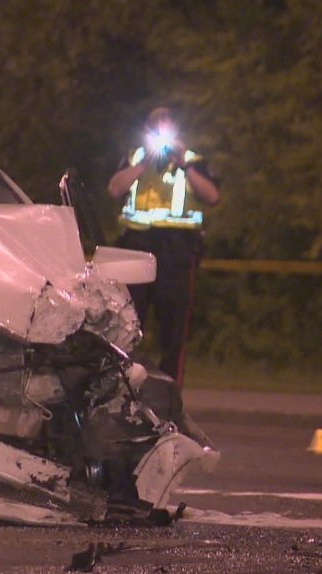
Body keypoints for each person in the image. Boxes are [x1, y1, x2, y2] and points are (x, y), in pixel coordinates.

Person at [107, 107, 219, 385]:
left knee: (174, 331)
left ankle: (171, 395)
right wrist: (144, 164)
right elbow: (114, 189)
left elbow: (212, 195)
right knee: (127, 326)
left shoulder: (193, 161)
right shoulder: (136, 158)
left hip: (176, 253)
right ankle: (122, 388)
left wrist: (184, 164)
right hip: (137, 248)